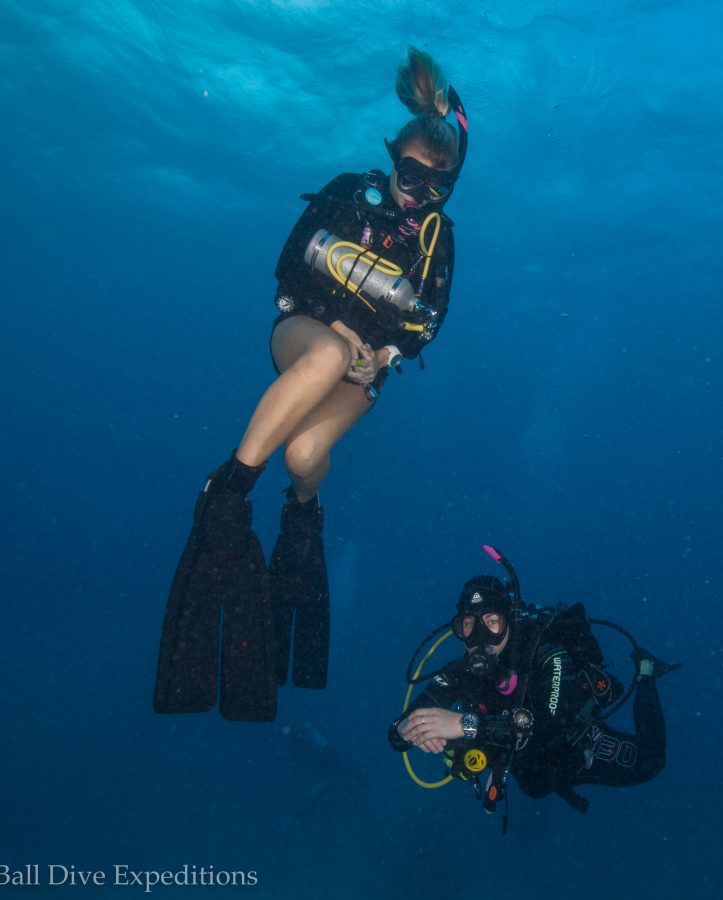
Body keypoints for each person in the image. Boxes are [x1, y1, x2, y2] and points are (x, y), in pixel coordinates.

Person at [155, 47, 469, 722]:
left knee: (304, 460)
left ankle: (303, 514)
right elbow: (286, 269)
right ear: (391, 159)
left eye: (434, 186)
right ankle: (230, 487)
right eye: (410, 174)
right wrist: (341, 330)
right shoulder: (346, 194)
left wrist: (383, 351)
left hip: (367, 368)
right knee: (325, 355)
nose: (417, 192)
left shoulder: (437, 241)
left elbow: (429, 321)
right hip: (302, 335)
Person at [389, 572, 681, 822]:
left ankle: (647, 672)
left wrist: (464, 724)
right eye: (468, 625)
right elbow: (397, 732)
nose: (480, 636)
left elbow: (549, 726)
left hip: (576, 747)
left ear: (509, 621)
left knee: (651, 761)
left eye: (491, 622)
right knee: (535, 783)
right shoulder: (459, 671)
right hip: (532, 770)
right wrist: (410, 729)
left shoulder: (547, 654)